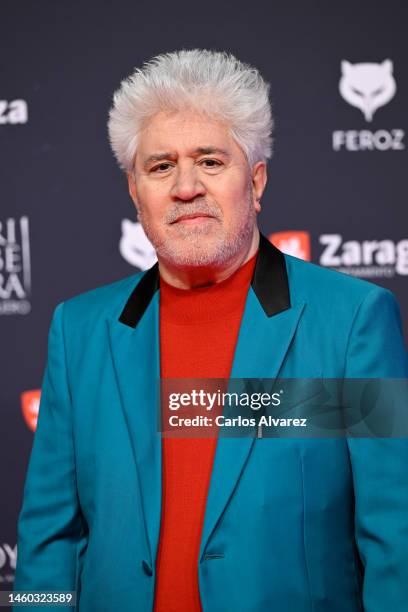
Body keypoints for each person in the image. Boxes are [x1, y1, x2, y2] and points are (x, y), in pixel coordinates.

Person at [14, 49, 408, 612]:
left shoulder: (351, 321)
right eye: (160, 166)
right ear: (135, 192)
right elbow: (48, 543)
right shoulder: (79, 331)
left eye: (210, 161)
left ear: (256, 180)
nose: (185, 187)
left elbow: (397, 539)